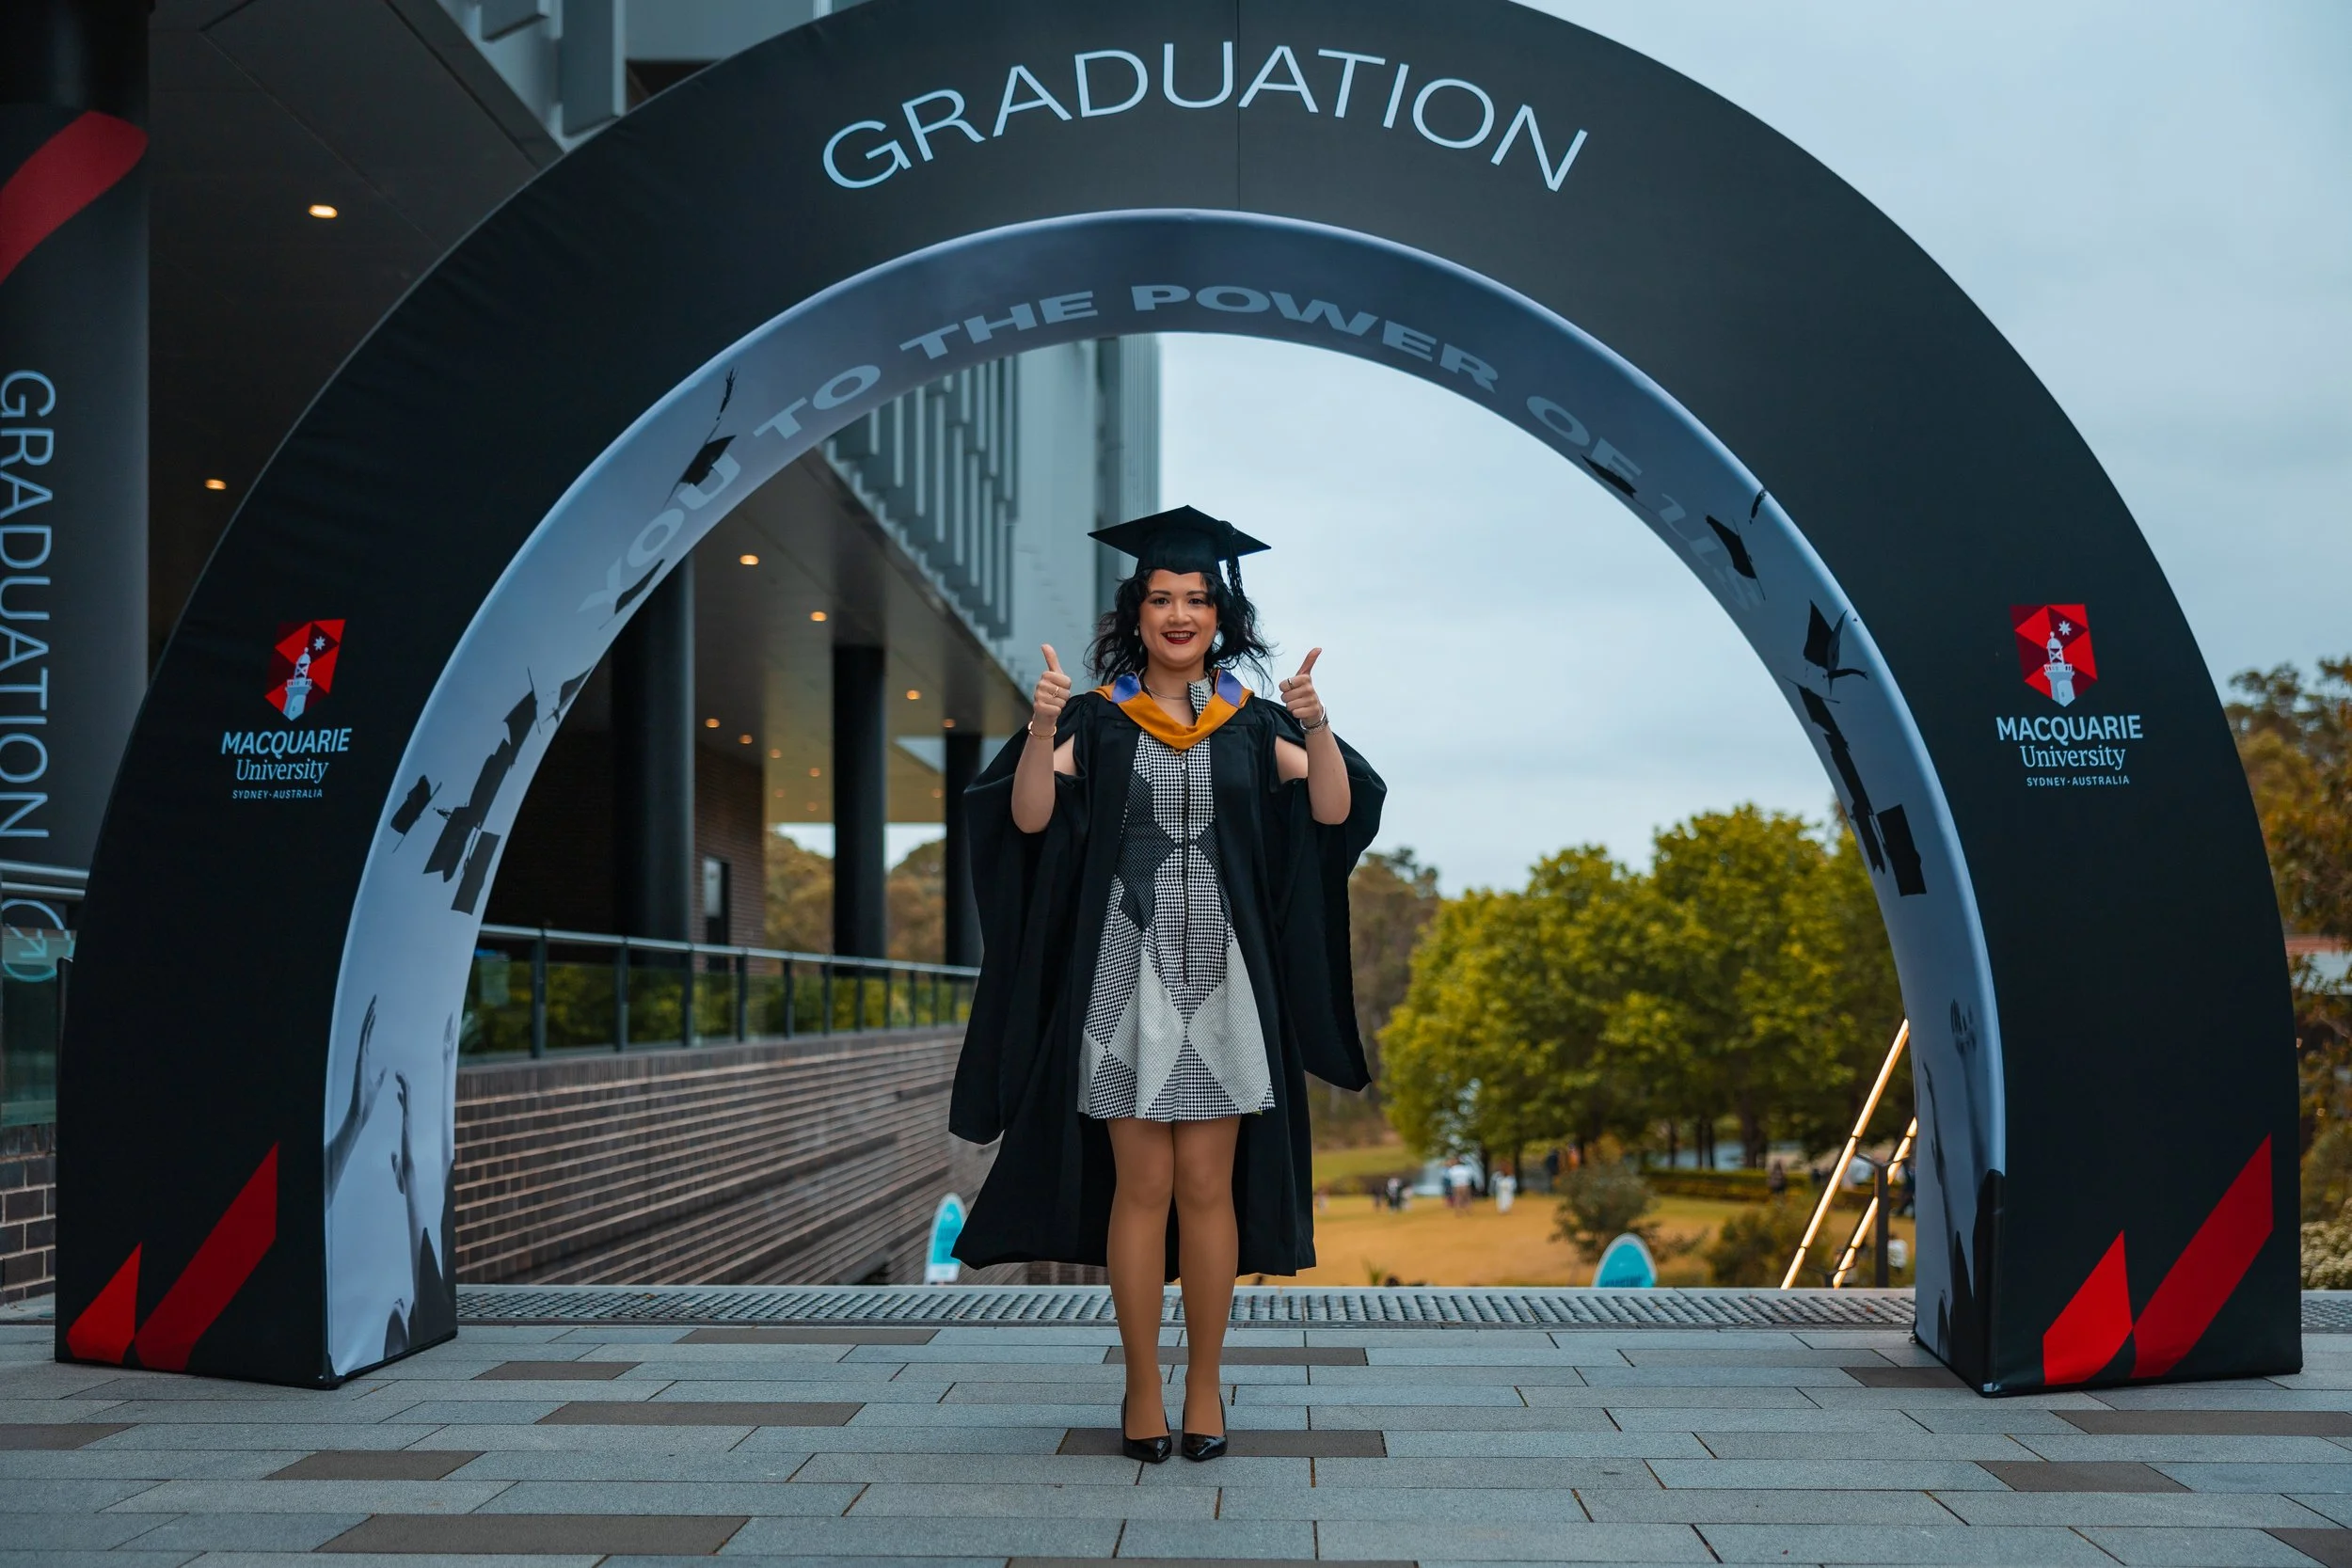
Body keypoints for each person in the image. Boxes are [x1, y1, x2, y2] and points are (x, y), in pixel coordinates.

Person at [949, 505, 1384, 1466]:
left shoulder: (1250, 719)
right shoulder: (1100, 722)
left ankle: (1204, 1381)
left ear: (1220, 615)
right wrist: (1040, 726)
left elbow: (1332, 807)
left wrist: (1317, 726)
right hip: (1123, 970)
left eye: (1196, 597)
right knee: (1141, 1184)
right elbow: (1025, 819)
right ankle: (1143, 1383)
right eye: (1161, 597)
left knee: (1206, 1183)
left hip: (1225, 974)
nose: (1179, 613)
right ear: (1135, 612)